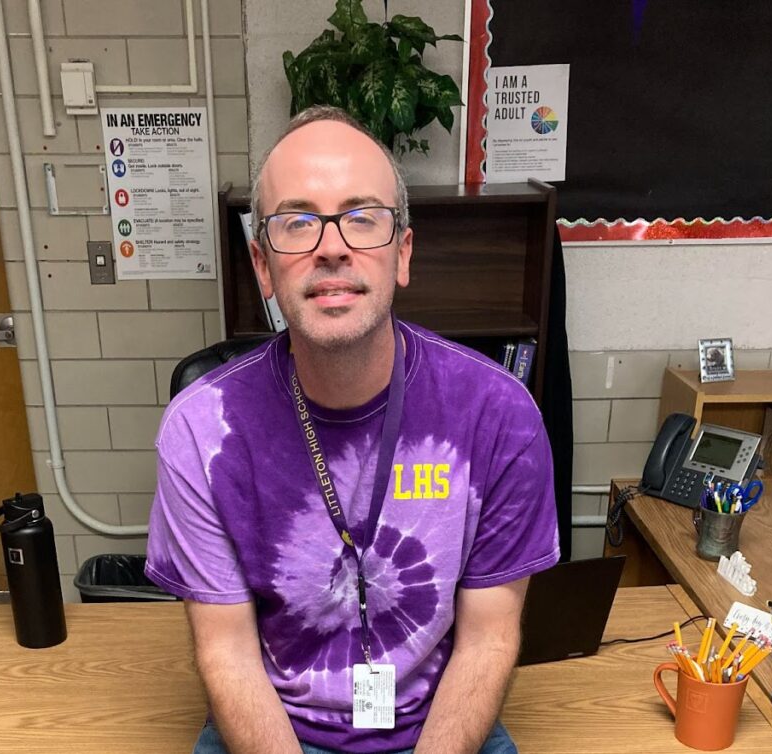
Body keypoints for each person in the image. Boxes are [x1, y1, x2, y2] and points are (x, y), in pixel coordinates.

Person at [145, 105, 560, 754]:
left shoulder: (499, 416)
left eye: (363, 216)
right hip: (276, 731)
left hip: (439, 727)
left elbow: (489, 640)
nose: (331, 246)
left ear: (402, 253)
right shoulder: (201, 432)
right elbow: (226, 655)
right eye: (298, 221)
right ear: (262, 266)